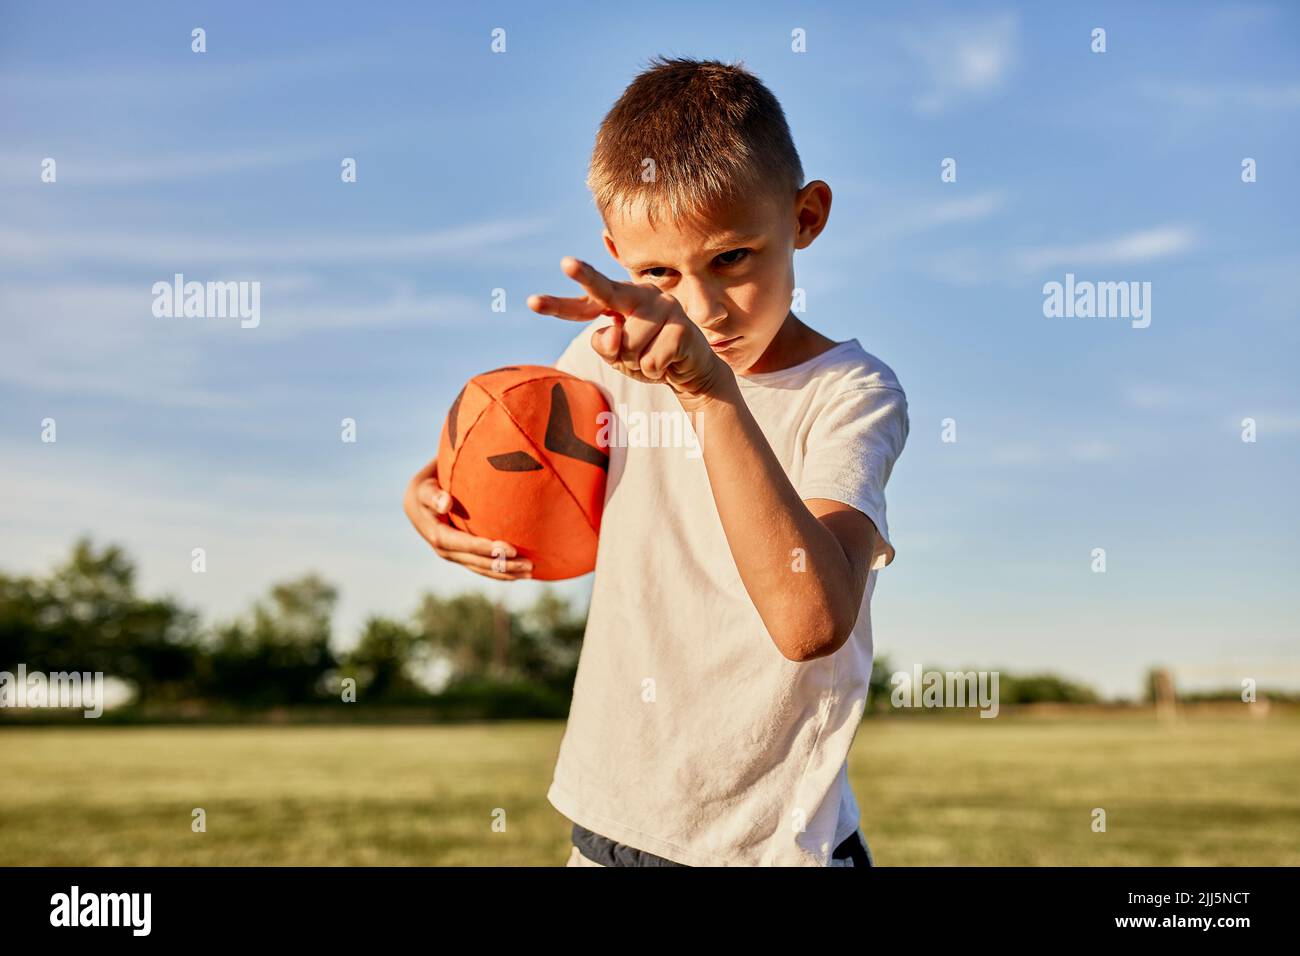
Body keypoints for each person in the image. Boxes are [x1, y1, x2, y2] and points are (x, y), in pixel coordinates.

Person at [404, 56, 908, 866]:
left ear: (806, 216)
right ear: (615, 254)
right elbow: (526, 474)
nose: (703, 309)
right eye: (658, 274)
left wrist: (709, 395)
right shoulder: (603, 360)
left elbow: (811, 621)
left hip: (772, 846)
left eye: (734, 258)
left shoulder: (849, 392)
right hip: (609, 825)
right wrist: (434, 496)